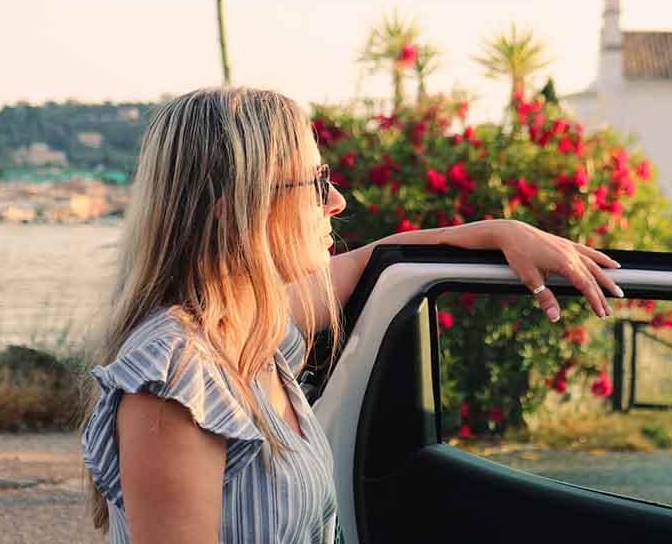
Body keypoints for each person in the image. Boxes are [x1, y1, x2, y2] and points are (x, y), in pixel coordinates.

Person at [79, 86, 623, 543]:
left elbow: (373, 261)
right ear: (239, 210)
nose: (336, 202)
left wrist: (503, 232)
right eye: (315, 184)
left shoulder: (247, 329)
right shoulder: (177, 377)